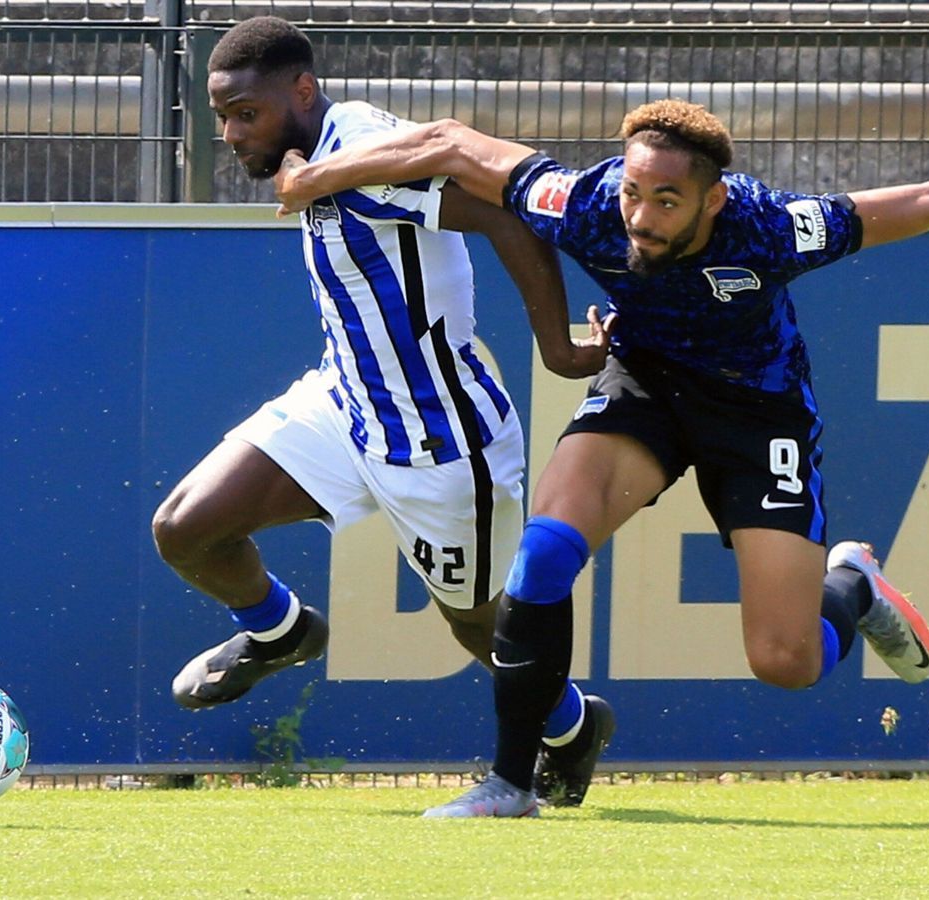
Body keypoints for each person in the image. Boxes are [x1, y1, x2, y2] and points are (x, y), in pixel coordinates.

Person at [276, 97, 929, 817]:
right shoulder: (585, 203)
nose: (640, 215)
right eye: (634, 191)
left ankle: (851, 587)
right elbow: (443, 141)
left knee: (784, 659)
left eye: (666, 201)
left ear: (712, 198)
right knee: (544, 552)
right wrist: (317, 176)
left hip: (758, 416)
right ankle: (511, 786)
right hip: (645, 390)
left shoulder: (775, 229)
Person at [151, 16, 618, 812]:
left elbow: (505, 211)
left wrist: (555, 345)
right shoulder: (330, 146)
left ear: (301, 92)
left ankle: (572, 726)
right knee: (185, 526)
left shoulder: (357, 162)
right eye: (221, 115)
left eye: (245, 114)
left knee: (476, 627)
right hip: (344, 403)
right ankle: (280, 631)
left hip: (440, 440)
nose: (229, 133)